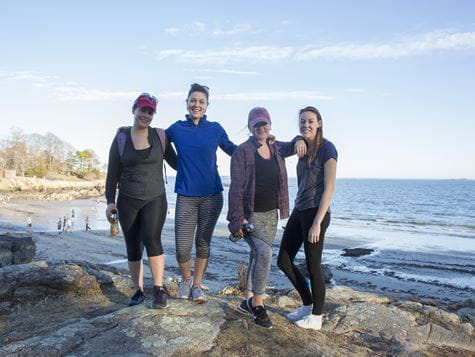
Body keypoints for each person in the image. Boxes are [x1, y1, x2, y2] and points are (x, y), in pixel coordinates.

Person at [227, 107, 306, 328]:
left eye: (265, 124)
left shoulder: (277, 147)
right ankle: (259, 304)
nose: (261, 128)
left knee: (256, 254)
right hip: (250, 216)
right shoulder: (242, 151)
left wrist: (300, 138)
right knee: (265, 254)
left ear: (270, 125)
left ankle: (247, 302)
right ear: (250, 127)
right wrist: (237, 220)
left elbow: (296, 144)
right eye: (256, 124)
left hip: (272, 215)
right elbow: (235, 188)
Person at [105, 92, 177, 309]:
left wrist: (203, 161)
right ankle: (137, 291)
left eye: (150, 111)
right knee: (133, 246)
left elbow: (178, 164)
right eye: (142, 109)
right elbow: (112, 174)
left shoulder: (161, 137)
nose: (145, 114)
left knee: (152, 238)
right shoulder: (121, 139)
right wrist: (110, 202)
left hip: (155, 198)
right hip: (127, 200)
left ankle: (158, 289)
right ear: (134, 109)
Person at [166, 83, 236, 303]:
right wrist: (178, 165)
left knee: (203, 242)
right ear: (187, 103)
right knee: (182, 247)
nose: (197, 105)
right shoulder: (176, 128)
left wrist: (263, 144)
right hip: (186, 195)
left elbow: (235, 151)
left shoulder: (215, 129)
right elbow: (159, 145)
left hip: (212, 195)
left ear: (207, 105)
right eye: (193, 100)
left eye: (201, 101)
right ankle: (185, 280)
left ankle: (197, 286)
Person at [277, 106, 337, 330]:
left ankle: (317, 317)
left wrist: (317, 223)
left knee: (313, 266)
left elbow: (329, 189)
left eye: (311, 121)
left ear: (319, 123)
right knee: (283, 260)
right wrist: (295, 141)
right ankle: (307, 304)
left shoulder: (327, 148)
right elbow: (279, 149)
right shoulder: (301, 146)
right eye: (302, 121)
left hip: (316, 212)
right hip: (299, 210)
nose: (306, 125)